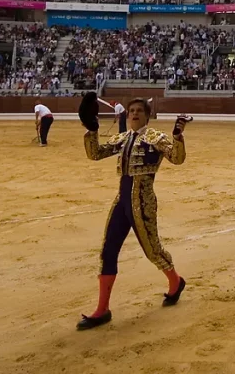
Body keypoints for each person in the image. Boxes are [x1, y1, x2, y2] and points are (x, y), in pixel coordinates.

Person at [76, 94, 189, 331]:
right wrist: (92, 127)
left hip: (143, 199)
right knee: (108, 251)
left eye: (139, 110)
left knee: (152, 250)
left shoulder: (155, 137)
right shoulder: (123, 137)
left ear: (147, 115)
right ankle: (103, 309)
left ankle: (175, 282)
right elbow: (95, 153)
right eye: (131, 111)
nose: (134, 114)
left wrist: (178, 136)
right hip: (122, 199)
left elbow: (177, 159)